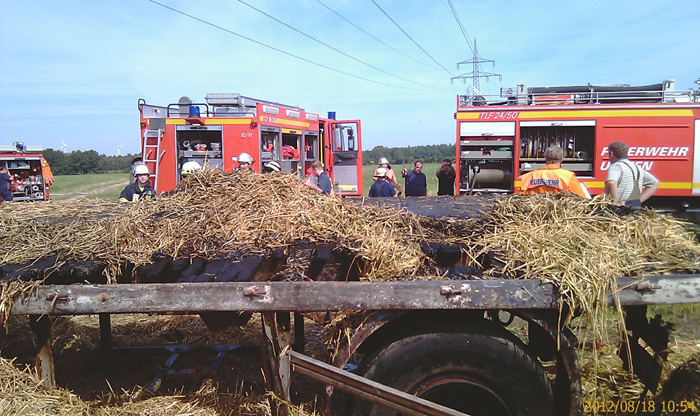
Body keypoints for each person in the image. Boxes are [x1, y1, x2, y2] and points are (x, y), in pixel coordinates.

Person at [518, 146, 589, 198]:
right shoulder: (568, 177)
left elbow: (519, 199)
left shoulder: (529, 177)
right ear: (562, 159)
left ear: (545, 159)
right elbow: (581, 199)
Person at [604, 141, 659, 206]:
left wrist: (615, 202)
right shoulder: (637, 167)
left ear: (611, 154)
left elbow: (611, 182)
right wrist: (639, 201)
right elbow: (654, 183)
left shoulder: (616, 166)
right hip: (635, 207)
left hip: (621, 208)